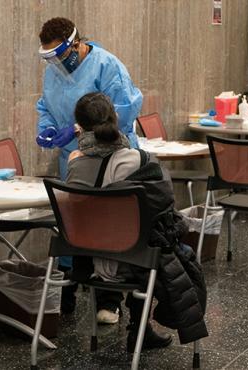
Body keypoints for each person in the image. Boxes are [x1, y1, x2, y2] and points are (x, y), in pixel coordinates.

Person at [63, 92, 208, 352]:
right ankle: (140, 329)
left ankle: (128, 320)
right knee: (159, 240)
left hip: (87, 262)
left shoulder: (74, 164)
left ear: (79, 128)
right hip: (134, 262)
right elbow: (163, 213)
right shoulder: (140, 161)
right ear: (116, 118)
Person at [34, 17, 144, 325]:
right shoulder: (54, 71)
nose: (54, 62)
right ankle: (67, 293)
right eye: (47, 56)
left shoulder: (107, 67)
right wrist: (47, 129)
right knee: (74, 223)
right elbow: (46, 105)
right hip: (74, 161)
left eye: (57, 54)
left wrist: (81, 129)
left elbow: (122, 111)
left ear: (76, 45)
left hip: (111, 159)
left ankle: (109, 298)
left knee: (109, 224)